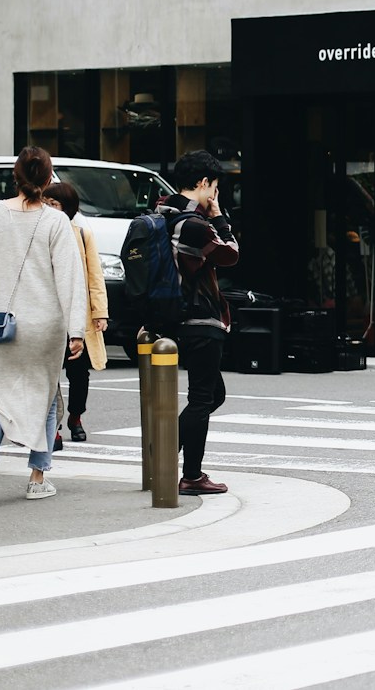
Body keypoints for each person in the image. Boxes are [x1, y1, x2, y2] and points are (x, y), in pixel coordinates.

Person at [0, 147, 88, 504]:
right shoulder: (56, 221)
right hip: (45, 325)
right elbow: (69, 279)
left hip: (1, 322)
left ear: (15, 177)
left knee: (1, 397)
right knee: (45, 396)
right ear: (49, 180)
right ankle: (36, 478)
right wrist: (76, 329)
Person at [154, 149, 240, 496]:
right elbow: (232, 253)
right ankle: (190, 475)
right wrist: (219, 216)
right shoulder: (192, 225)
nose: (215, 195)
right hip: (199, 317)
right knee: (204, 396)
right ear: (204, 183)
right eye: (214, 187)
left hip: (179, 317)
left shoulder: (162, 214)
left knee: (212, 394)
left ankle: (163, 453)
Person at [45, 182, 108, 444]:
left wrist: (100, 312)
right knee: (49, 375)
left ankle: (76, 416)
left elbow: (95, 276)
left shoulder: (82, 234)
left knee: (79, 373)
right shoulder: (40, 234)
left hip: (78, 317)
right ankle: (54, 426)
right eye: (46, 204)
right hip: (49, 316)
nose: (49, 209)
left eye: (54, 205)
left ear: (67, 208)